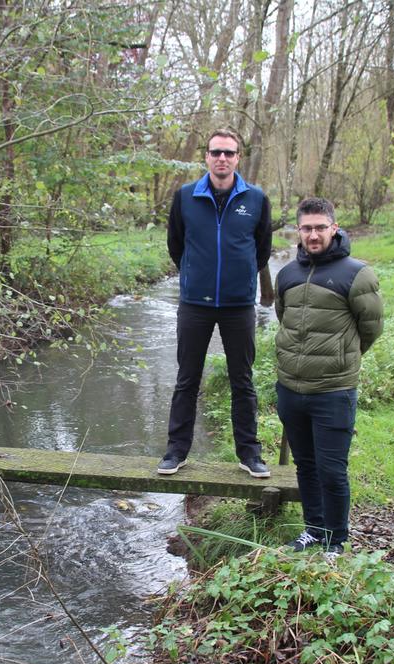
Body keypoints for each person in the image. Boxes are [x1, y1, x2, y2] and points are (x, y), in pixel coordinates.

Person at [158, 128, 272, 478]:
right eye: (215, 152)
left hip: (239, 306)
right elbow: (176, 245)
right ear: (206, 157)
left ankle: (249, 454)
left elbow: (262, 250)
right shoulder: (186, 196)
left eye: (229, 153)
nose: (222, 158)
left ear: (238, 158)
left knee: (243, 380)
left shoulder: (255, 199)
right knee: (187, 378)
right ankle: (176, 452)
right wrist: (197, 276)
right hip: (195, 303)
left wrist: (238, 280)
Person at [275, 197, 383, 556]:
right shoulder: (287, 274)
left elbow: (370, 329)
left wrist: (339, 360)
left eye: (321, 227)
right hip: (290, 388)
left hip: (334, 391)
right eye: (307, 228)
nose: (314, 234)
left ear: (334, 228)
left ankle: (335, 540)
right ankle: (314, 529)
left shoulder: (357, 273)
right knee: (305, 466)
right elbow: (284, 318)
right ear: (299, 231)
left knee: (332, 470)